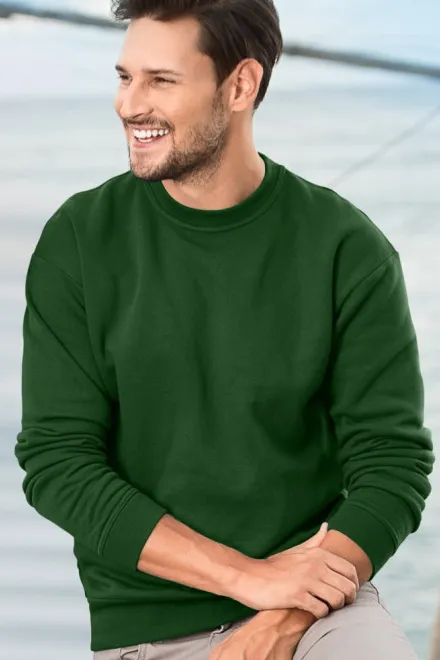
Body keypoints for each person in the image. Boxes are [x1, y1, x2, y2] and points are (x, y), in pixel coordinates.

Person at [14, 1, 435, 658]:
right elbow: (58, 462)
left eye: (161, 80)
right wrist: (249, 579)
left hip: (321, 608)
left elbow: (392, 463)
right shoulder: (80, 240)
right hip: (147, 628)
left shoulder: (346, 247)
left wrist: (286, 611)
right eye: (125, 77)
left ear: (240, 85)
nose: (129, 104)